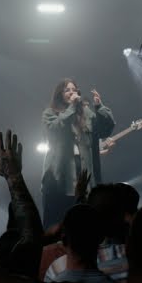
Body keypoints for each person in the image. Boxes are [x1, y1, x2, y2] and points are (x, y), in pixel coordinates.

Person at [42, 79, 115, 229]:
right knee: (62, 214)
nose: (72, 92)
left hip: (83, 168)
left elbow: (105, 130)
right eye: (67, 90)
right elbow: (55, 129)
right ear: (60, 95)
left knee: (85, 215)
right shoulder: (50, 113)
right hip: (61, 171)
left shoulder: (86, 113)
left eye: (74, 90)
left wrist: (99, 106)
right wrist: (72, 108)